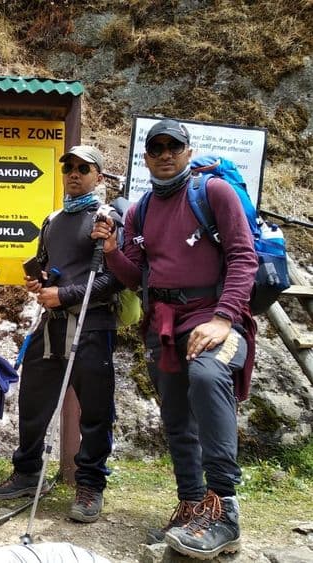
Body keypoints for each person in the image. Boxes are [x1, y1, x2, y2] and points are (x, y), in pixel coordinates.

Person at [91, 118, 257, 559]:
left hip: (215, 317)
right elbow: (134, 277)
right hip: (163, 326)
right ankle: (191, 506)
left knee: (207, 376)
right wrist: (112, 251)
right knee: (177, 416)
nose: (165, 154)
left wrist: (223, 318)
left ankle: (224, 511)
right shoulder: (141, 210)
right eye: (157, 148)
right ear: (146, 158)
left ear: (188, 152)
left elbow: (244, 257)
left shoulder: (214, 193)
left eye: (174, 146)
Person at [0, 145, 120, 524]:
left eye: (84, 168)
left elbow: (116, 279)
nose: (74, 173)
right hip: (51, 325)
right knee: (33, 399)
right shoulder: (52, 220)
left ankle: (90, 484)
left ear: (99, 176)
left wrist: (64, 295)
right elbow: (48, 267)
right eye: (69, 168)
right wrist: (40, 281)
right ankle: (28, 471)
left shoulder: (108, 219)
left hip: (92, 324)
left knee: (95, 410)